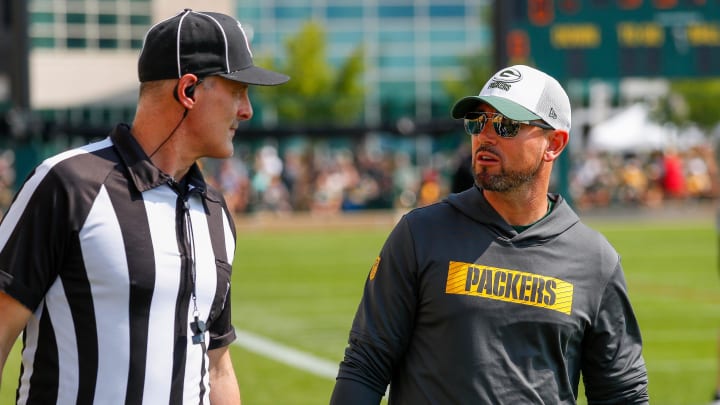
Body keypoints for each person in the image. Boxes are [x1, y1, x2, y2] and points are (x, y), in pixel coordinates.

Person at [0, 9, 288, 404]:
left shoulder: (215, 212)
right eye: (237, 90)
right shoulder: (68, 184)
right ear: (188, 91)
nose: (247, 110)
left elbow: (217, 365)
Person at [330, 65, 649, 404]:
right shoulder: (419, 234)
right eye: (477, 122)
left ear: (554, 143)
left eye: (506, 125)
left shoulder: (594, 258)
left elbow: (621, 393)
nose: (485, 136)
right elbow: (366, 364)